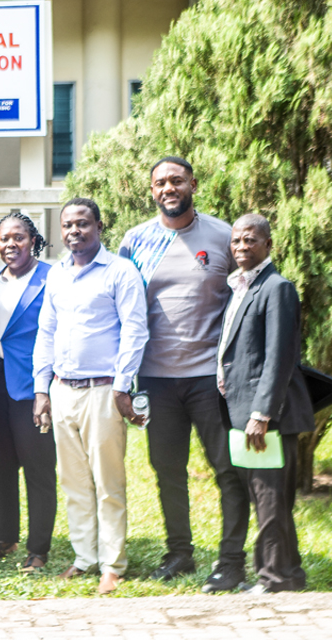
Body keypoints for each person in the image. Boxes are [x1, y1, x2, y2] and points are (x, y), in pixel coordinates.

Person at [119, 157, 250, 592]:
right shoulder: (136, 241)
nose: (168, 188)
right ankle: (179, 552)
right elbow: (122, 311)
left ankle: (232, 560)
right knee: (167, 469)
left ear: (193, 183)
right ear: (152, 190)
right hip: (156, 380)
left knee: (227, 470)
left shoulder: (222, 235)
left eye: (176, 180)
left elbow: (248, 299)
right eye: (160, 182)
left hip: (211, 380)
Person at [33, 198, 148, 595]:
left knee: (108, 481)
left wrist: (122, 386)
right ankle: (85, 558)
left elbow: (135, 331)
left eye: (82, 224)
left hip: (103, 391)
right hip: (63, 390)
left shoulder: (120, 271)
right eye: (67, 225)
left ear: (99, 226)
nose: (74, 232)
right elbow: (46, 332)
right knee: (73, 480)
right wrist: (41, 389)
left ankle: (112, 564)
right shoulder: (57, 275)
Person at [218, 214, 312, 594]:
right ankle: (290, 574)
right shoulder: (241, 287)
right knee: (267, 497)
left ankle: (272, 578)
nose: (242, 246)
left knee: (269, 500)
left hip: (267, 417)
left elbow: (279, 357)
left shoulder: (277, 288)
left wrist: (261, 414)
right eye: (237, 241)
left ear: (268, 246)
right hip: (243, 411)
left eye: (251, 240)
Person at [0, 213, 56, 571]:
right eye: (5, 238)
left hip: (32, 382)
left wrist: (48, 388)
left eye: (19, 237)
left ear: (33, 240)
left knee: (37, 467)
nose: (11, 244)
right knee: (1, 463)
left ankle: (38, 548)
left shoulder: (51, 277)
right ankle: (4, 535)